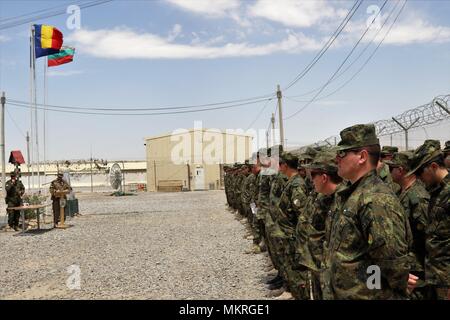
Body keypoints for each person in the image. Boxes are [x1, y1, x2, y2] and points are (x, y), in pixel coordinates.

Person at [330, 123, 412, 299]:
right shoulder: (355, 193)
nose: (336, 159)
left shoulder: (374, 199)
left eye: (342, 153)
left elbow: (391, 264)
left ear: (362, 156)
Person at [297, 147, 343, 300]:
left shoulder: (344, 201)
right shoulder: (325, 197)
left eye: (313, 175)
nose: (310, 179)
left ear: (324, 177)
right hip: (319, 266)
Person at [408, 139, 449, 300]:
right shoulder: (436, 193)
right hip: (435, 276)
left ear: (433, 167)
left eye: (420, 173)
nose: (418, 178)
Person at [386, 151, 430, 299]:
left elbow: (427, 236)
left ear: (400, 170)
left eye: (391, 168)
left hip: (416, 269)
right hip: (405, 263)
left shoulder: (417, 197)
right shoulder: (400, 192)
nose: (389, 172)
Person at [274, 151, 308, 300]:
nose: (279, 168)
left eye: (280, 164)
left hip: (293, 237)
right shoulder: (291, 182)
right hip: (287, 235)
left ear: (285, 165)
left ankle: (297, 294)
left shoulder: (297, 185)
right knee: (289, 267)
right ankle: (291, 291)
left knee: (296, 270)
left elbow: (302, 216)